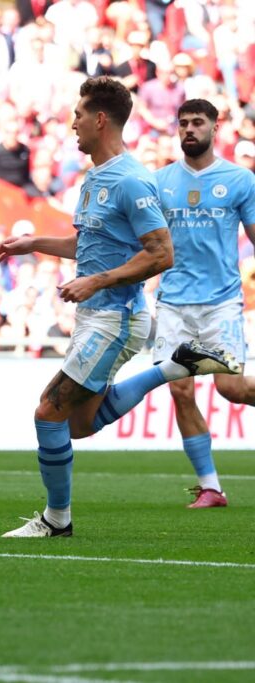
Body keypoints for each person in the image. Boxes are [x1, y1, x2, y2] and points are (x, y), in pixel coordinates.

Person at [0, 78, 239, 538]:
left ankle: (56, 520)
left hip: (115, 317)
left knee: (48, 411)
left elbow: (162, 254)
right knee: (79, 425)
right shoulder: (95, 177)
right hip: (96, 313)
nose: (72, 125)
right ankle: (172, 369)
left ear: (100, 120)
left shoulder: (132, 179)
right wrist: (33, 244)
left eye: (79, 116)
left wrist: (96, 282)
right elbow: (86, 246)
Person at [153, 98, 255, 508]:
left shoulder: (239, 179)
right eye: (183, 123)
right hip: (174, 304)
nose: (189, 129)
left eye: (198, 122)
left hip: (221, 304)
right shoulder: (158, 182)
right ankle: (211, 486)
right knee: (180, 392)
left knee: (230, 389)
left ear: (216, 127)